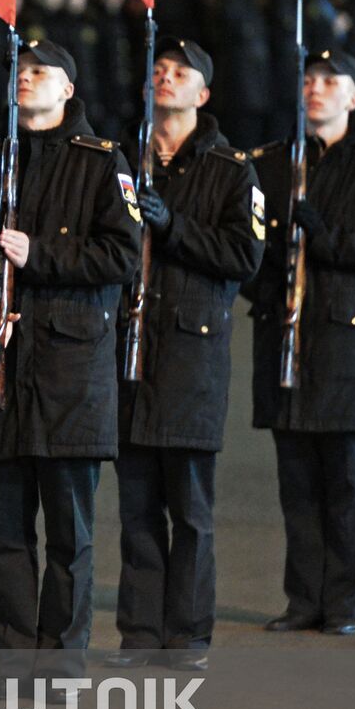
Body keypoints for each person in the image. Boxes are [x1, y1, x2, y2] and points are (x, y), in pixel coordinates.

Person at [0, 40, 140, 694]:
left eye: (40, 72)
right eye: (18, 71)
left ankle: (60, 665)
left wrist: (42, 257)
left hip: (71, 372)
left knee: (69, 532)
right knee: (6, 534)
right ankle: (13, 661)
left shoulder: (102, 163)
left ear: (67, 89)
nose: (25, 80)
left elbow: (123, 257)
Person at [104, 39, 264, 672]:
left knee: (190, 509)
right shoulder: (120, 162)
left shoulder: (230, 171)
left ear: (202, 95)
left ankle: (188, 636)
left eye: (180, 74)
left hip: (192, 355)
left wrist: (173, 227)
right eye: (158, 71)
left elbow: (243, 258)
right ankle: (140, 633)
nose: (164, 78)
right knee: (137, 505)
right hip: (128, 352)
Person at [247, 49, 355, 636]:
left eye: (330, 82)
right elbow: (252, 248)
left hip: (348, 345)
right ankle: (304, 598)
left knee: (346, 480)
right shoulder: (273, 162)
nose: (316, 90)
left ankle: (345, 600)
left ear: (354, 97)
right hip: (285, 337)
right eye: (309, 81)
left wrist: (325, 238)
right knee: (296, 479)